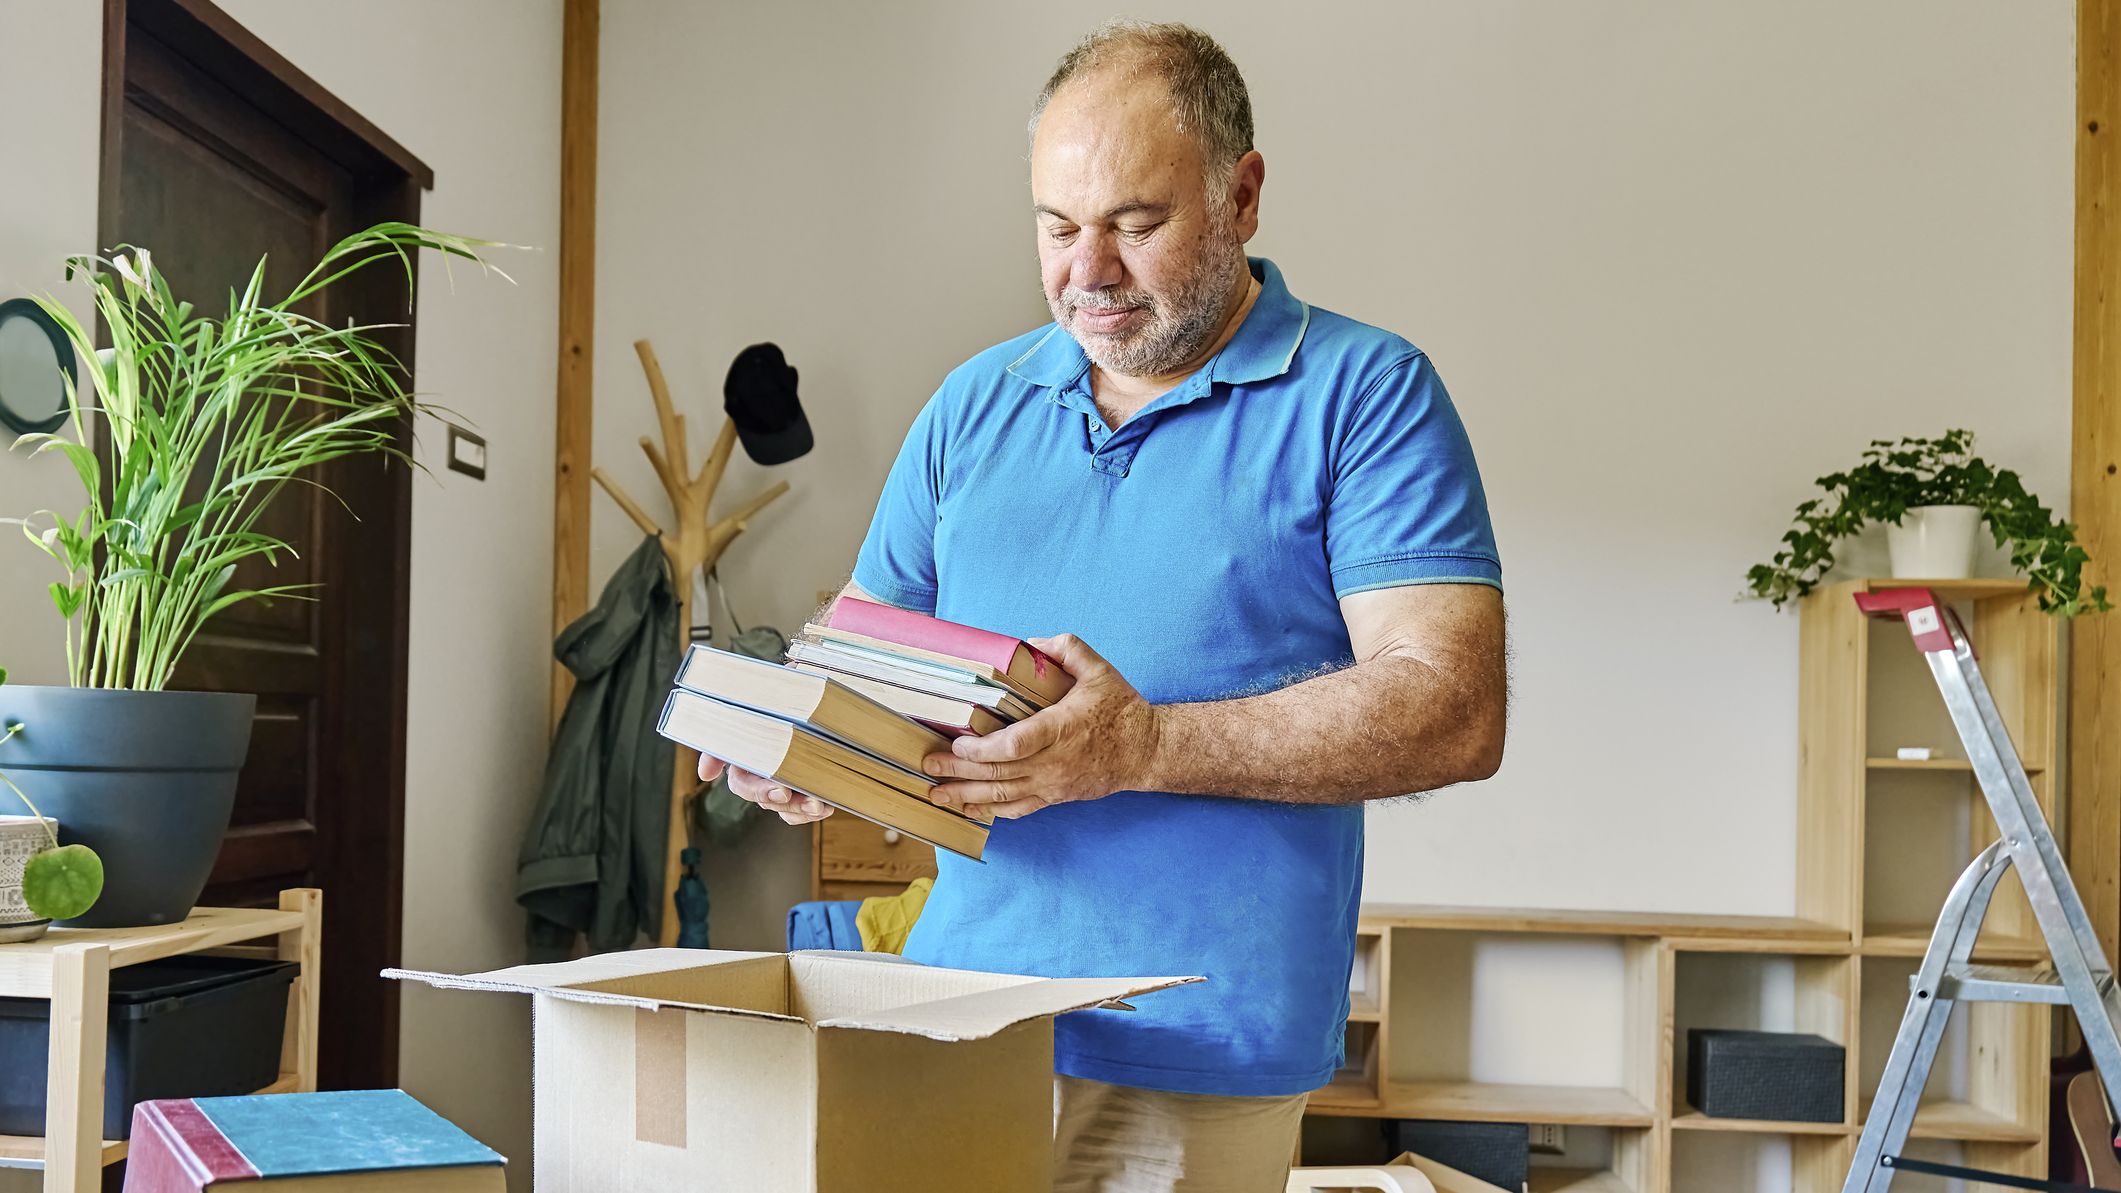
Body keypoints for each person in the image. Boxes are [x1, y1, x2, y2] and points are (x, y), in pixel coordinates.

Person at [699, 20, 1507, 1193]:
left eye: (1135, 224)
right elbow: (859, 658)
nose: (1089, 268)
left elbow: (1453, 708)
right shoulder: (971, 405)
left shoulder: (1365, 394)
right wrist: (808, 744)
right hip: (953, 1015)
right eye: (1057, 225)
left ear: (1242, 194)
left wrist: (1144, 744)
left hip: (1192, 1050)